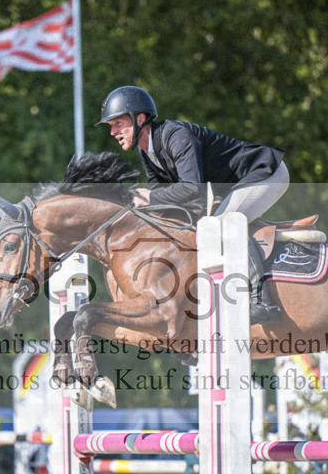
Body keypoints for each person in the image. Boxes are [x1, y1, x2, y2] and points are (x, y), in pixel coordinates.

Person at [97, 85, 289, 323]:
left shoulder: (176, 136)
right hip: (234, 187)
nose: (113, 132)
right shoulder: (147, 151)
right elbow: (163, 197)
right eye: (111, 125)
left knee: (223, 226)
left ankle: (263, 303)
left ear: (140, 118)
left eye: (118, 123)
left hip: (265, 174)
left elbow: (191, 189)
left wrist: (150, 198)